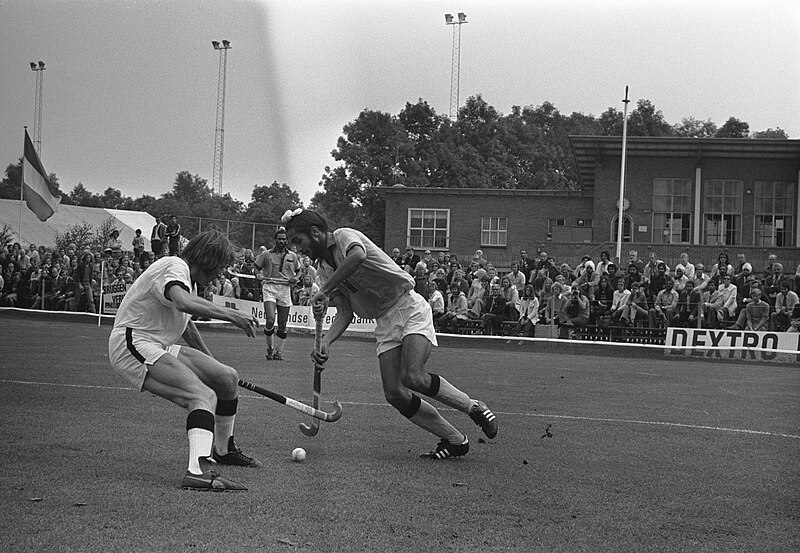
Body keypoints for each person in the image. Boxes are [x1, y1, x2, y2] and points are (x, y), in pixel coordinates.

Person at [282, 208, 498, 460]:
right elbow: (345, 312)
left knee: (413, 376)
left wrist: (324, 291)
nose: (297, 250)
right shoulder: (323, 271)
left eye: (298, 241)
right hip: (384, 320)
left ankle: (474, 407)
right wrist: (326, 343)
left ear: (315, 232)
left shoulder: (344, 237)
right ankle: (455, 440)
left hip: (408, 307)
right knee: (394, 393)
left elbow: (358, 257)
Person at [107, 230, 262, 491]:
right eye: (221, 265)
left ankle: (224, 451)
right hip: (132, 343)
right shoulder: (174, 266)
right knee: (201, 396)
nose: (221, 273)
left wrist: (212, 364)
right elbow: (181, 303)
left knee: (226, 378)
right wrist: (231, 315)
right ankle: (198, 472)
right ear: (209, 260)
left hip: (158, 343)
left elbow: (186, 325)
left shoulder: (188, 280)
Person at [255, 226, 301, 361]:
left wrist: (296, 278)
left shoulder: (293, 256)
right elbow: (256, 268)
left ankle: (278, 352)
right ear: (275, 240)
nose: (281, 241)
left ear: (287, 241)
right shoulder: (266, 254)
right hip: (270, 287)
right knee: (270, 320)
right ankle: (269, 348)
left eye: (284, 239)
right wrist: (258, 275)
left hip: (285, 290)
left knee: (282, 323)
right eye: (279, 239)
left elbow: (298, 271)